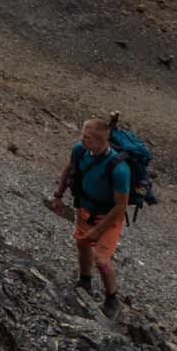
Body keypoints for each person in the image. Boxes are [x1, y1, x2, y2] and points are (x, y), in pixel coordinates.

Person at [47, 114, 132, 315]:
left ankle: (112, 298)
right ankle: (85, 281)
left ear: (100, 141)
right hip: (84, 208)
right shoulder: (80, 151)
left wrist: (98, 230)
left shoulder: (120, 169)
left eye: (86, 136)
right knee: (82, 243)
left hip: (108, 218)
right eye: (83, 135)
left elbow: (121, 206)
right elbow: (68, 169)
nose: (82, 139)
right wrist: (58, 196)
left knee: (102, 259)